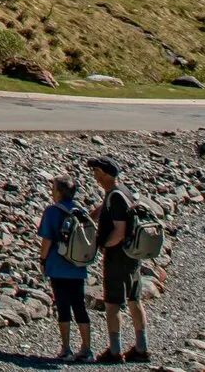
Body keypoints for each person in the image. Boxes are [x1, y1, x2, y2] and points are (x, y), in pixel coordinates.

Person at [88, 155, 150, 363]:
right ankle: (142, 347)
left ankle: (115, 351)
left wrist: (103, 245)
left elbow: (120, 230)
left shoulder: (114, 197)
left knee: (113, 303)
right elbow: (102, 209)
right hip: (133, 256)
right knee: (135, 299)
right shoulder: (122, 192)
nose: (94, 176)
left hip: (118, 256)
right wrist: (89, 217)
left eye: (96, 172)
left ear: (105, 174)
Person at [35, 177, 93, 361]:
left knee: (63, 306)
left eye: (53, 188)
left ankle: (66, 348)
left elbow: (47, 240)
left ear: (58, 192)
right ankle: (86, 349)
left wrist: (42, 260)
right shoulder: (80, 211)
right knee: (79, 305)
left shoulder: (52, 211)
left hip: (58, 266)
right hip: (78, 265)